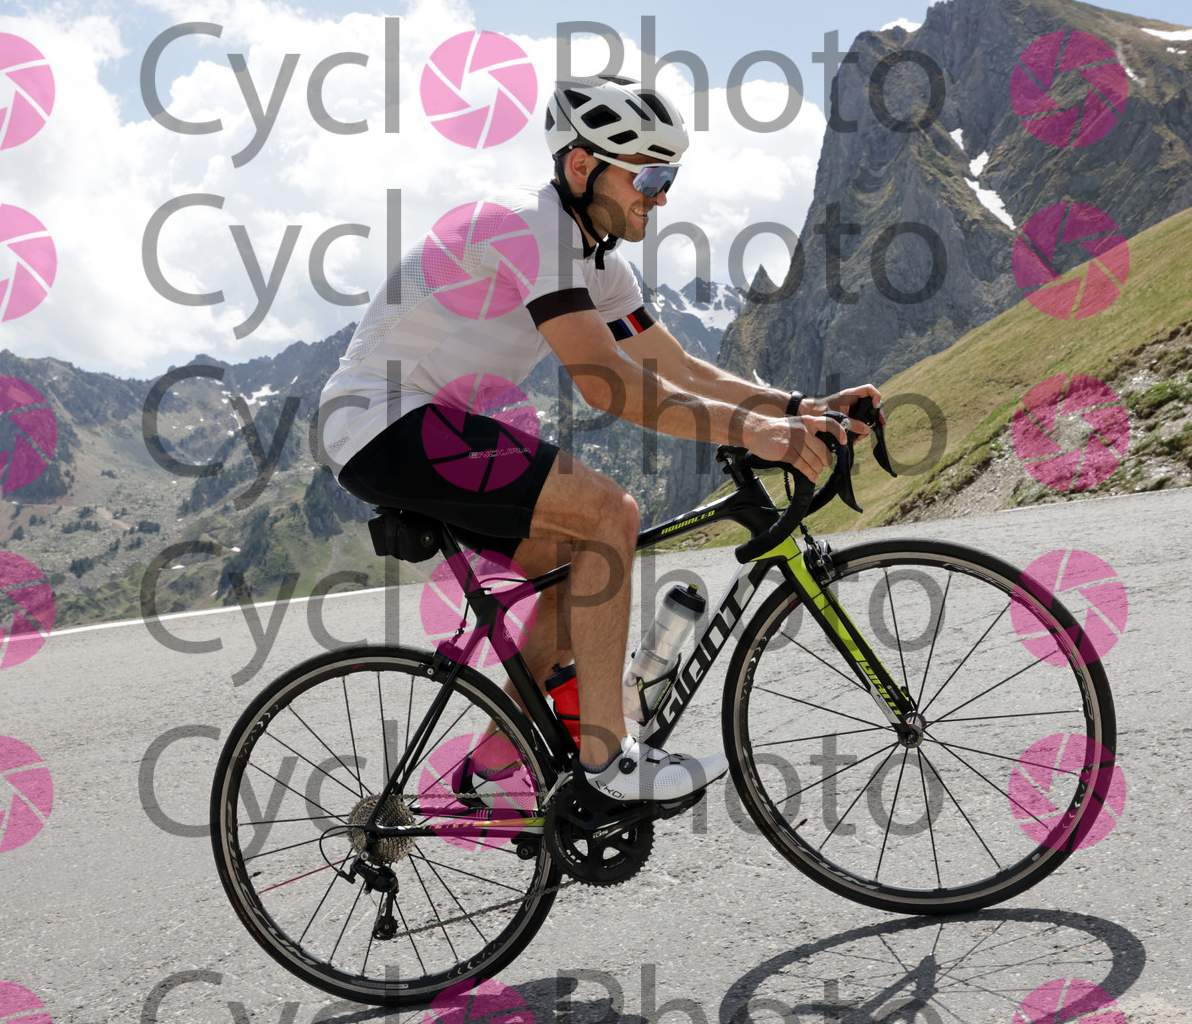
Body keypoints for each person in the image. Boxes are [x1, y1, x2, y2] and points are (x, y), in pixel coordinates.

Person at [319, 74, 881, 802]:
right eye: (647, 177)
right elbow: (603, 380)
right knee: (611, 514)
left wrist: (796, 406)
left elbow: (677, 367)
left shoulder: (599, 263)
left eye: (669, 177)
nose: (661, 196)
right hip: (380, 418)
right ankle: (608, 761)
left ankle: (490, 773)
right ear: (582, 166)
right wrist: (754, 432)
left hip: (427, 424)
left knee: (574, 567)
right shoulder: (528, 226)